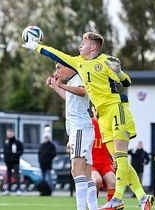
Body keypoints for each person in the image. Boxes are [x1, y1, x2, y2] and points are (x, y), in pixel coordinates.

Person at [23, 31, 154, 209]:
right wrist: (36, 47)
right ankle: (142, 197)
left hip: (116, 108)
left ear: (93, 47)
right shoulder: (79, 62)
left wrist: (120, 73)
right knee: (118, 160)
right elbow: (56, 54)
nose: (80, 45)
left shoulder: (105, 60)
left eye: (83, 42)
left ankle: (117, 198)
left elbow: (127, 82)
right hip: (101, 116)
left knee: (120, 158)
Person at [47, 63, 98, 210]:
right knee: (86, 173)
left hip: (80, 129)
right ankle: (93, 208)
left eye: (59, 67)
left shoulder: (79, 77)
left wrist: (62, 86)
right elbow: (69, 98)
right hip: (83, 129)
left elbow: (82, 92)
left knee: (76, 170)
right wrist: (56, 86)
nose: (57, 71)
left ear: (69, 68)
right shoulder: (71, 82)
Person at [90, 105, 117, 203]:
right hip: (91, 162)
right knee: (96, 181)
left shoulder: (108, 125)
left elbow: (115, 143)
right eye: (95, 108)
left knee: (112, 181)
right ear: (93, 109)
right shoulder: (89, 124)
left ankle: (111, 208)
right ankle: (92, 207)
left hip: (105, 162)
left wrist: (115, 160)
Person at [3, 128, 24, 195]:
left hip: (15, 162)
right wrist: (6, 159)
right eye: (8, 133)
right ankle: (8, 189)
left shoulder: (17, 142)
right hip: (8, 162)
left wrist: (15, 155)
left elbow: (21, 151)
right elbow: (5, 152)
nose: (9, 134)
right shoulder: (6, 142)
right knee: (8, 176)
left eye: (11, 133)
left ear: (13, 133)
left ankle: (18, 190)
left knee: (16, 175)